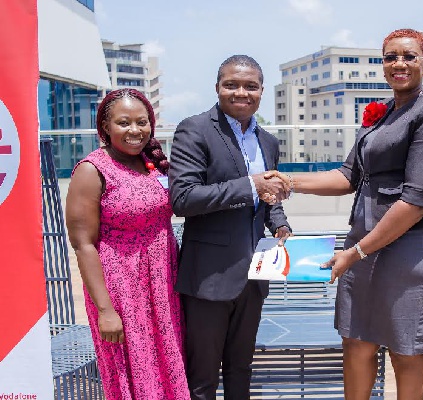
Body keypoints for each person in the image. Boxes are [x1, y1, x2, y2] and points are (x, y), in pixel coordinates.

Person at [266, 29, 423, 400]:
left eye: (408, 56)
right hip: (363, 242)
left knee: (406, 349)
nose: (399, 63)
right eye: (390, 57)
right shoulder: (380, 113)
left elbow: (417, 200)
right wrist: (289, 181)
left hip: (408, 247)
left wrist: (355, 253)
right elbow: (348, 175)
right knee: (356, 340)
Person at [168, 54, 292, 400]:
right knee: (203, 379)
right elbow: (183, 199)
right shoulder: (194, 129)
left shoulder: (268, 141)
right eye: (232, 85)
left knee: (241, 370)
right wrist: (251, 185)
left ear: (262, 91)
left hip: (253, 277)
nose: (242, 92)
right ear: (217, 88)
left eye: (250, 86)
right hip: (209, 278)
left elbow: (269, 196)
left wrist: (280, 223)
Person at [65, 88, 189, 399]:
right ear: (105, 127)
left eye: (142, 122)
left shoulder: (151, 164)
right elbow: (83, 244)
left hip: (162, 286)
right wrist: (106, 310)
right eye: (124, 123)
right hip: (121, 289)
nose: (135, 131)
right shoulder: (92, 170)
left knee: (167, 365)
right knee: (132, 371)